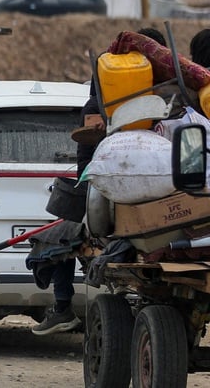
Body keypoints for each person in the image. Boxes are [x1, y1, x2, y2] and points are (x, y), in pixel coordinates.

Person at [32, 26, 167, 336]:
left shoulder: (107, 100)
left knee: (59, 237)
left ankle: (63, 307)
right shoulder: (177, 97)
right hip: (125, 194)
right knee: (62, 235)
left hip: (119, 200)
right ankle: (63, 306)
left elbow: (89, 155)